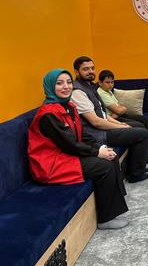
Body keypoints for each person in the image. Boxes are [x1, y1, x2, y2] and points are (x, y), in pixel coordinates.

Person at [28, 69, 129, 229]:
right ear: (49, 86)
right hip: (51, 163)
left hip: (67, 154)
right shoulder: (48, 114)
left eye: (69, 82)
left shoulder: (69, 106)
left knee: (111, 155)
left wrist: (101, 147)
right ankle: (106, 219)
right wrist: (97, 153)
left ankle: (116, 204)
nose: (66, 86)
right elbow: (69, 143)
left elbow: (82, 135)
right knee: (104, 166)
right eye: (59, 83)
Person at [71, 56, 148, 183]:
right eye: (86, 69)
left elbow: (102, 114)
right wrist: (121, 127)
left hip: (103, 128)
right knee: (142, 134)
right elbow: (96, 122)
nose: (90, 71)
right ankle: (135, 174)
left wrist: (120, 123)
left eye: (92, 68)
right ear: (76, 72)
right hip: (96, 135)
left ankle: (135, 167)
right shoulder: (77, 92)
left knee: (139, 126)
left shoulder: (90, 86)